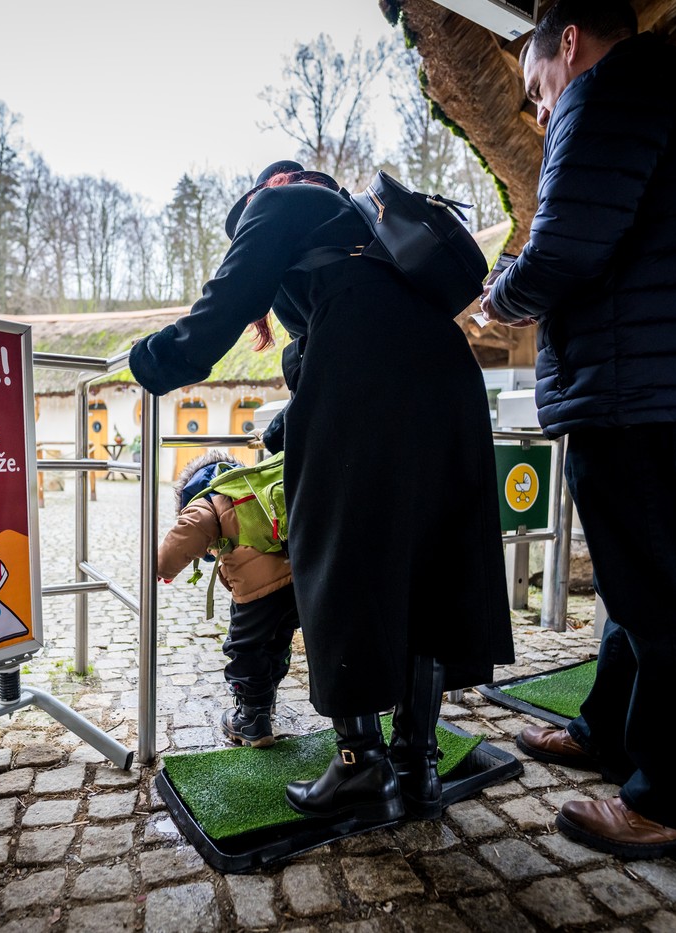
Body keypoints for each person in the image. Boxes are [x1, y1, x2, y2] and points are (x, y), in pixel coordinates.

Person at [132, 160, 513, 823]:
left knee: (340, 558)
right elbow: (334, 351)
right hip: (448, 377)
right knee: (426, 562)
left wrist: (153, 361)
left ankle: (360, 764)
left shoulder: (282, 201)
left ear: (267, 189)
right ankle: (416, 766)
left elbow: (220, 307)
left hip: (371, 376)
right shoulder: (367, 236)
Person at [482, 0, 676, 860]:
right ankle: (609, 727)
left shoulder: (608, 89)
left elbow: (568, 244)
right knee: (635, 579)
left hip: (640, 381)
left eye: (537, 86)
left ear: (569, 42)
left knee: (662, 591)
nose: (539, 109)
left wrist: (499, 298)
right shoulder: (674, 91)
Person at [158, 450, 299, 749]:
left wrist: (161, 568)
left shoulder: (210, 498)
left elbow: (187, 533)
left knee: (244, 646)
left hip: (257, 592)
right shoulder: (250, 485)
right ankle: (266, 699)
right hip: (297, 582)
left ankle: (252, 718)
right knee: (278, 641)